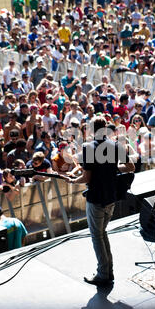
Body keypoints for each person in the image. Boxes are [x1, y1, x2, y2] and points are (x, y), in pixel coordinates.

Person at [65, 116, 135, 286]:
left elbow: (86, 177)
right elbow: (131, 167)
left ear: (91, 130)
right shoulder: (116, 145)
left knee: (97, 236)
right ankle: (108, 271)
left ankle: (103, 274)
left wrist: (73, 181)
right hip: (112, 196)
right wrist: (111, 168)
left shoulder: (88, 148)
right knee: (102, 233)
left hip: (96, 197)